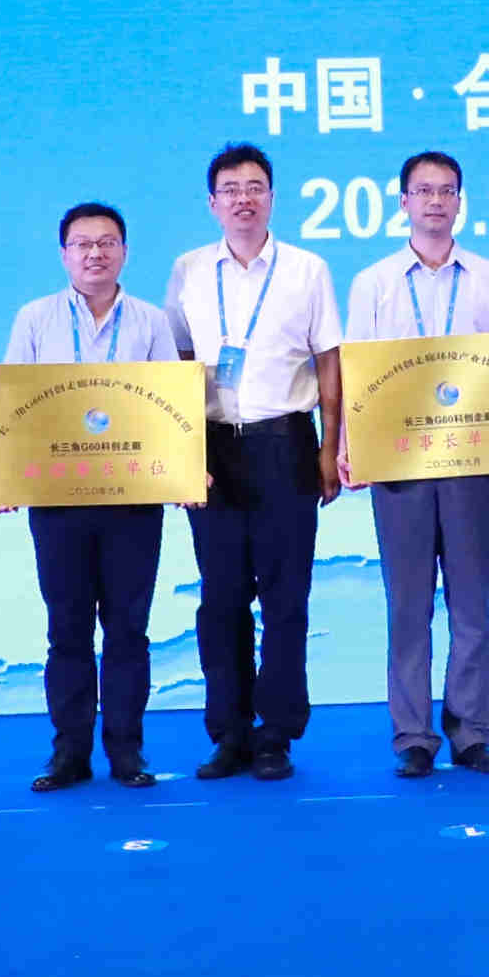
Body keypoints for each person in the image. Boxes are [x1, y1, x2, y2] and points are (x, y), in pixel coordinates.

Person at [166, 143, 345, 782]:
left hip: (284, 442)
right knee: (220, 599)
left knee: (285, 597)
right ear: (212, 203)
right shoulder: (188, 270)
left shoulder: (307, 269)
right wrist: (180, 454)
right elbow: (176, 364)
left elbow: (329, 363)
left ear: (272, 197)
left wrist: (330, 448)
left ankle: (276, 735)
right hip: (212, 448)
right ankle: (230, 733)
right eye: (231, 189)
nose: (244, 198)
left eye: (255, 187)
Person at [0, 204, 184, 791]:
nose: (95, 253)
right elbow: (15, 407)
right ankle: (69, 754)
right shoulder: (35, 318)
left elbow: (171, 407)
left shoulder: (151, 321)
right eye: (82, 244)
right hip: (58, 500)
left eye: (106, 242)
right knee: (67, 630)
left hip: (133, 499)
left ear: (124, 251)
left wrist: (186, 473)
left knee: (129, 629)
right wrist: (6, 476)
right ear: (64, 254)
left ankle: (127, 752)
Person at [347, 150, 489, 778]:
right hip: (399, 465)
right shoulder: (373, 283)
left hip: (474, 461)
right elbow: (357, 374)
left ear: (460, 201)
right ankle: (413, 735)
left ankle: (472, 732)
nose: (436, 201)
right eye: (424, 191)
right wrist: (351, 447)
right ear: (403, 203)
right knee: (408, 604)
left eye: (447, 190)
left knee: (473, 604)